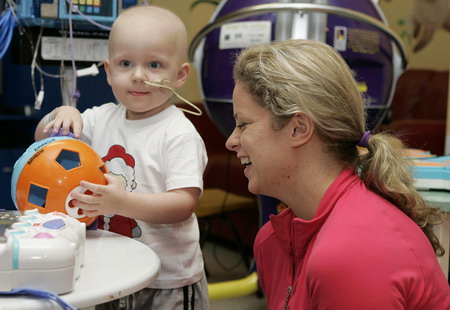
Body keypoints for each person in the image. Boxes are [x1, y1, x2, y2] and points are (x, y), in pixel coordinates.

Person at [225, 39, 450, 309]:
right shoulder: (272, 242)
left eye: (243, 124)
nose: (231, 141)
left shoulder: (353, 254)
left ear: (298, 128)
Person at [35, 5, 209, 310]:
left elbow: (183, 204)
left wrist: (121, 203)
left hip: (167, 281)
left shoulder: (178, 133)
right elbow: (43, 140)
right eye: (126, 63)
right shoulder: (99, 118)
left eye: (154, 65)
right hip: (111, 271)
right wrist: (61, 113)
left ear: (180, 75)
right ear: (109, 71)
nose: (139, 76)